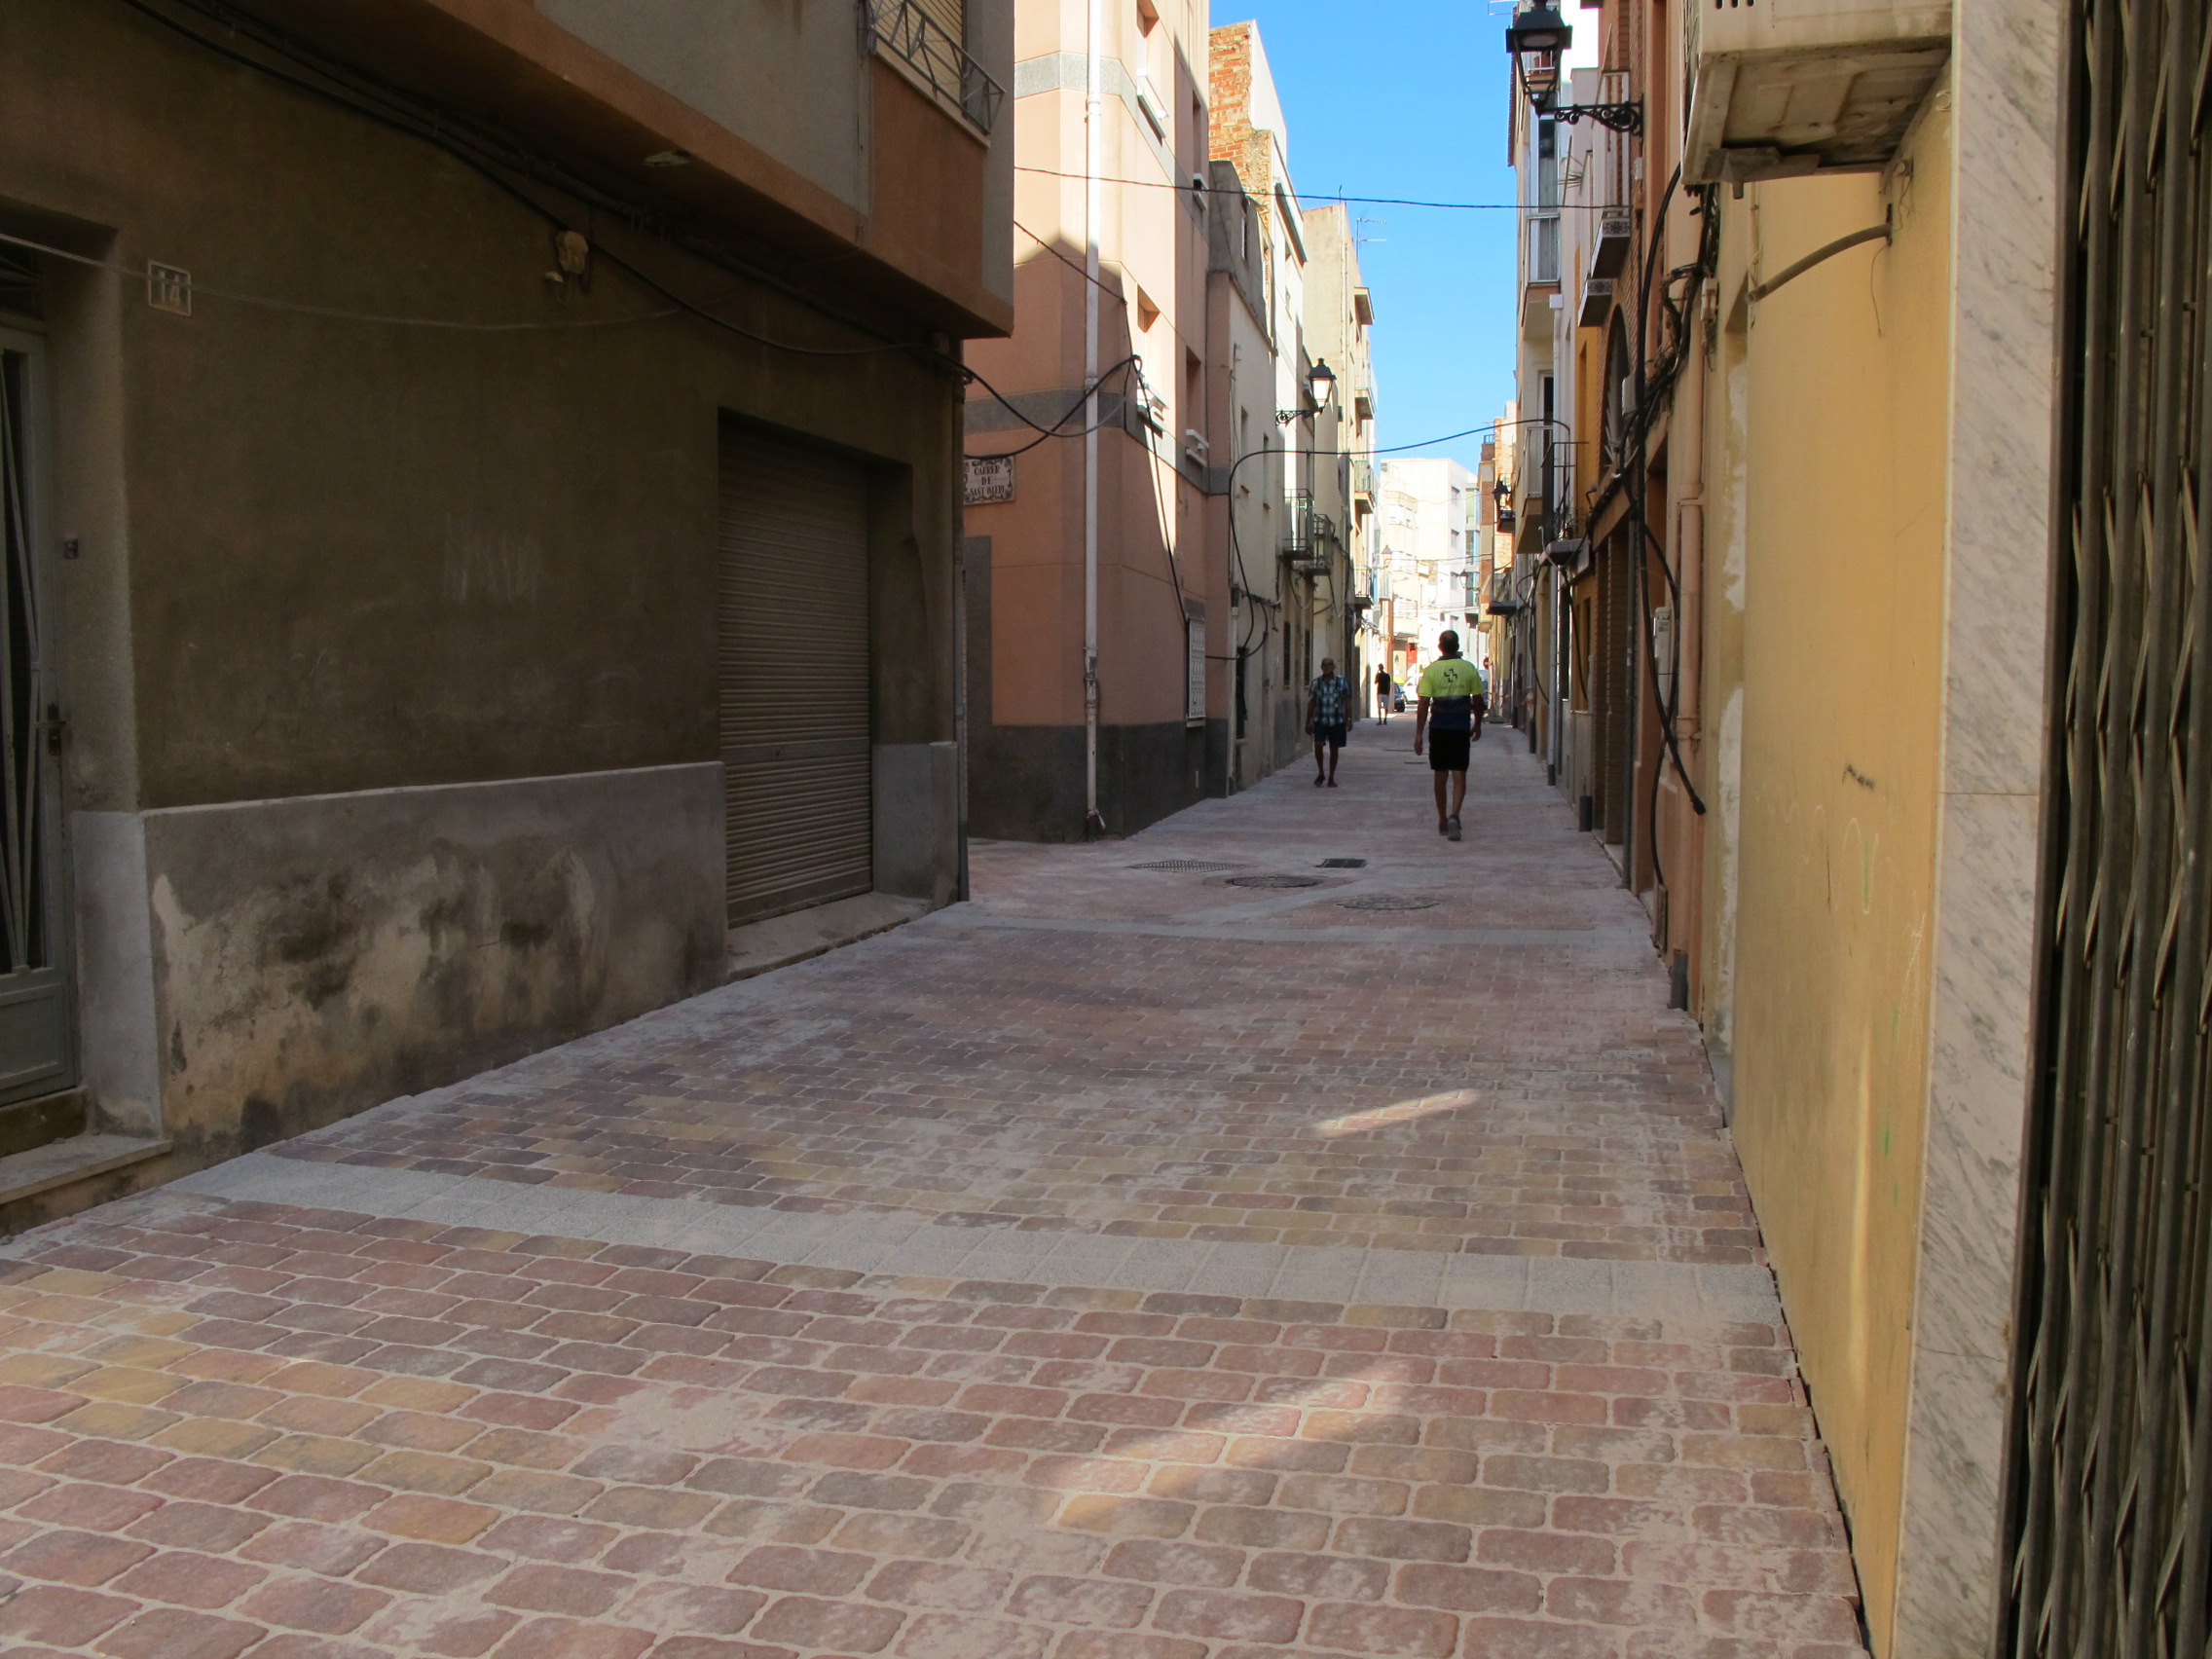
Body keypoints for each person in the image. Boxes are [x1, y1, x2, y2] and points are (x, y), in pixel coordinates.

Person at [1413, 629, 1487, 840]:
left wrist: (1418, 734)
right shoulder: (1469, 669)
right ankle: (1455, 814)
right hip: (1460, 729)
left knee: (1440, 774)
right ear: (1458, 646)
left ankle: (1442, 819)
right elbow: (1478, 701)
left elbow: (1423, 703)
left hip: (1438, 729)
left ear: (1440, 647)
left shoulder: (1431, 671)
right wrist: (1477, 724)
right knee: (1459, 773)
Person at [1307, 657, 1352, 787]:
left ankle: (1331, 777)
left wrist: (1349, 719)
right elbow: (1312, 703)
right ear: (1321, 667)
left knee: (1334, 748)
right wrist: (1308, 721)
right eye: (1324, 665)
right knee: (1318, 745)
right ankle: (1321, 772)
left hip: (1336, 720)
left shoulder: (1342, 682)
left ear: (1333, 666)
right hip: (1320, 720)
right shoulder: (1316, 683)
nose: (1326, 667)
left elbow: (1347, 702)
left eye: (1329, 664)